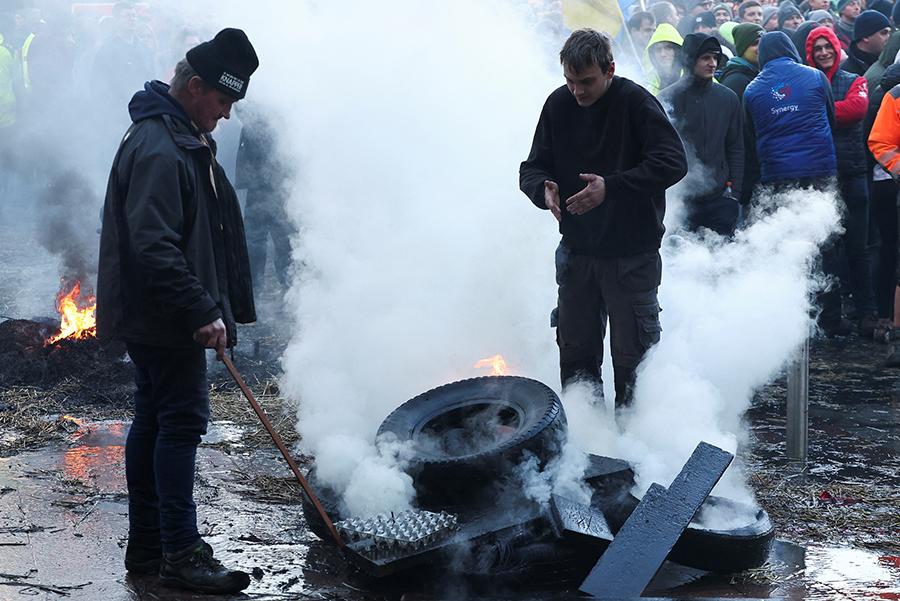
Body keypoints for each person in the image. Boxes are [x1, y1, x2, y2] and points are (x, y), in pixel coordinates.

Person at [96, 28, 258, 595]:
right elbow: (153, 244)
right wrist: (199, 309)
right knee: (181, 422)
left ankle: (148, 546)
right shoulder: (161, 146)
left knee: (155, 418)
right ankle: (182, 552)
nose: (227, 114)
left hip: (158, 312)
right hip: (165, 315)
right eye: (223, 100)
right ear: (195, 87)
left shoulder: (176, 134)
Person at [519, 28, 688, 408]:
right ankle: (586, 436)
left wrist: (611, 187)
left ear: (610, 69)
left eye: (586, 81)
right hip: (577, 253)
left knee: (634, 364)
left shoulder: (635, 102)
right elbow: (532, 167)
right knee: (576, 360)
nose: (577, 91)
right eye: (570, 80)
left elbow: (673, 162)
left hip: (632, 255)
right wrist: (541, 190)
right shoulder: (558, 104)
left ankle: (635, 441)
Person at [744, 31, 843, 335]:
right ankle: (830, 319)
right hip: (819, 169)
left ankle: (794, 319)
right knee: (825, 241)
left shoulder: (752, 89)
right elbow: (831, 118)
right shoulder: (815, 77)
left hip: (777, 174)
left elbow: (750, 133)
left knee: (786, 243)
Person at [807, 26, 879, 337]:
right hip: (822, 178)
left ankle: (867, 314)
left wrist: (814, 113)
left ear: (837, 48)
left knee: (858, 249)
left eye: (828, 46)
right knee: (827, 253)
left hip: (852, 175)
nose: (824, 52)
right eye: (817, 48)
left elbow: (856, 109)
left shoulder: (855, 80)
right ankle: (833, 317)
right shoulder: (808, 83)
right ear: (810, 53)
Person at [659, 33, 743, 235]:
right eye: (706, 58)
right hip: (681, 202)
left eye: (715, 58)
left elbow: (736, 148)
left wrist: (734, 194)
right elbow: (660, 154)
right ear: (690, 59)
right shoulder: (666, 99)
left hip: (721, 200)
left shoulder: (728, 98)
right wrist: (672, 197)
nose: (713, 64)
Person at [720, 23, 765, 206]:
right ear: (742, 48)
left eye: (763, 41)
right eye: (754, 43)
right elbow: (740, 130)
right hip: (748, 168)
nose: (760, 47)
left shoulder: (756, 74)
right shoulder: (737, 80)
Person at [841, 10, 892, 77]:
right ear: (865, 37)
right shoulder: (845, 73)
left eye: (889, 33)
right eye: (884, 33)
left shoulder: (890, 62)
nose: (889, 38)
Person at [644, 23, 684, 93]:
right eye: (658, 49)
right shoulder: (648, 84)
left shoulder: (692, 79)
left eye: (668, 48)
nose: (663, 54)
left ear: (677, 50)